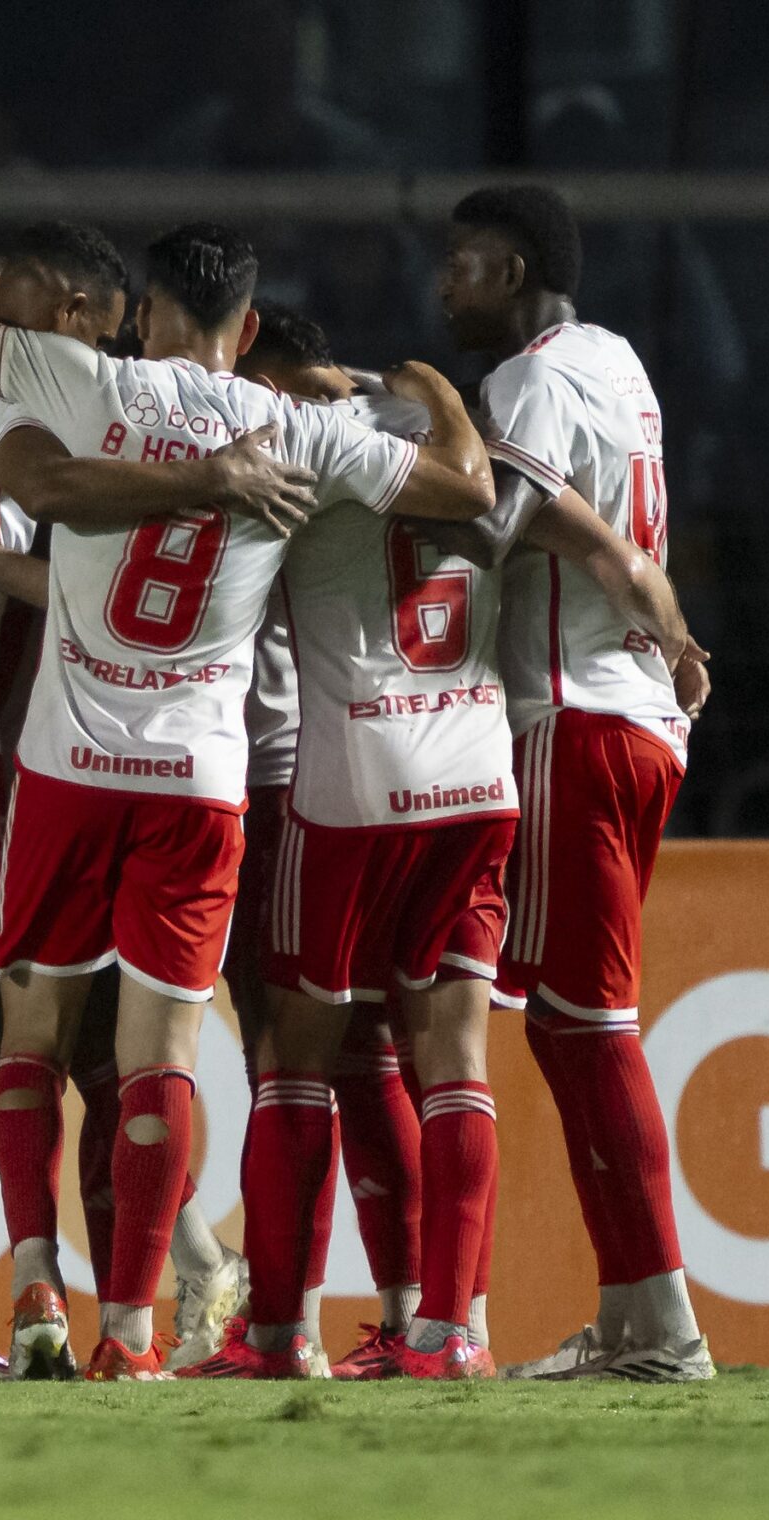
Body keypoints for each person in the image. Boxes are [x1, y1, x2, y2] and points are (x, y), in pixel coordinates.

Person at [0, 221, 496, 1379]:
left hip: (68, 765)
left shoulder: (86, 380)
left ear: (143, 314)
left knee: (30, 1036)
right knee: (161, 1051)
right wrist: (435, 394)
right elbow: (463, 492)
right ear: (248, 328)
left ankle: (31, 1289)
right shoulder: (303, 432)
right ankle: (128, 1330)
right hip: (203, 783)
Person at [176, 308, 520, 1381]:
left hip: (350, 785)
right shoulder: (449, 439)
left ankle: (278, 1333)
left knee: (294, 1055)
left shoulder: (295, 445)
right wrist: (437, 391)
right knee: (452, 1062)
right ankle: (448, 1331)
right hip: (478, 774)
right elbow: (489, 497)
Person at [431, 186, 715, 1383]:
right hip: (640, 717)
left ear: (506, 266)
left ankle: (664, 1327)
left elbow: (489, 524)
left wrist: (418, 425)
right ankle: (637, 1314)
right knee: (568, 1021)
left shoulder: (526, 384)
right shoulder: (620, 363)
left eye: (458, 264)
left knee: (591, 1024)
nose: (446, 285)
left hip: (572, 717)